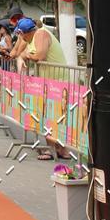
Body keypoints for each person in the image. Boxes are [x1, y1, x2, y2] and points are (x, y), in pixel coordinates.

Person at [11, 17, 71, 160]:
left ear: (24, 33)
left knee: (53, 117)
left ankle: (56, 150)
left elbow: (40, 55)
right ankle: (59, 149)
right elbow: (20, 54)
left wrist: (25, 55)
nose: (20, 37)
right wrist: (24, 56)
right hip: (48, 82)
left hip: (57, 81)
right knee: (50, 116)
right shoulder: (31, 38)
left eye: (20, 34)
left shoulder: (41, 34)